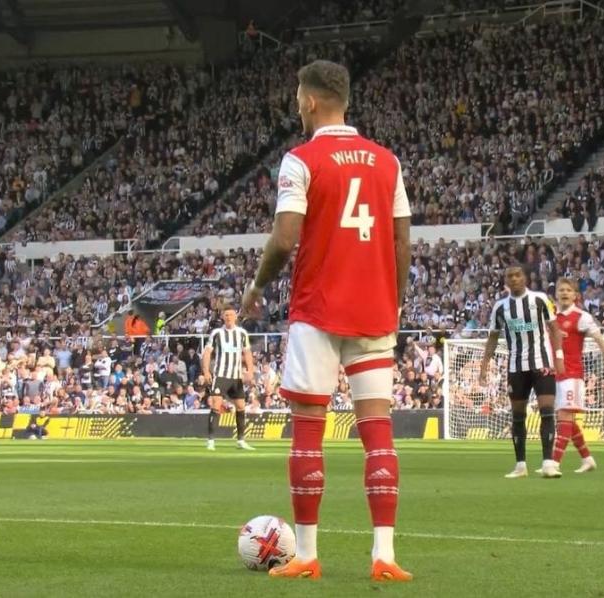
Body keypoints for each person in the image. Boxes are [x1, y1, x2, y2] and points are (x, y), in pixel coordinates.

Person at [241, 60, 412, 581]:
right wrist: (395, 302)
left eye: (298, 97)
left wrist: (257, 287)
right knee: (377, 431)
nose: (297, 104)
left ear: (311, 101)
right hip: (375, 310)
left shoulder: (300, 160)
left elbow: (286, 237)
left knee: (308, 434)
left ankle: (308, 556)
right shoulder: (388, 162)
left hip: (317, 309)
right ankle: (384, 556)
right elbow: (402, 239)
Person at [479, 265, 565, 479]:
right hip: (516, 367)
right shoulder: (500, 307)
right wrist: (483, 366)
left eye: (518, 275)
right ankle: (520, 465)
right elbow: (492, 337)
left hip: (542, 363)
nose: (514, 279)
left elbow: (554, 329)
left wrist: (559, 357)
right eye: (510, 276)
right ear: (506, 281)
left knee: (547, 411)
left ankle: (548, 463)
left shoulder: (540, 299)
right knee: (518, 416)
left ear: (525, 278)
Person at [551, 277, 604, 475]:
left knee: (564, 416)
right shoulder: (551, 317)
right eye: (561, 290)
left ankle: (553, 463)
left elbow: (601, 341)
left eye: (568, 290)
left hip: (572, 374)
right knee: (566, 420)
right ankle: (587, 459)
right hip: (556, 374)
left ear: (575, 295)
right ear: (556, 293)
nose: (564, 293)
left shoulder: (581, 317)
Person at [201, 306, 255, 451]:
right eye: (226, 315)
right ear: (223, 317)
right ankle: (211, 440)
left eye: (231, 315)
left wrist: (250, 371)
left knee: (241, 406)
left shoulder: (242, 333)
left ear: (236, 317)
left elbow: (247, 352)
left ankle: (241, 440)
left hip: (236, 377)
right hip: (221, 374)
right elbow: (207, 352)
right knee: (216, 404)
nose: (229, 317)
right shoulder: (217, 333)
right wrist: (206, 371)